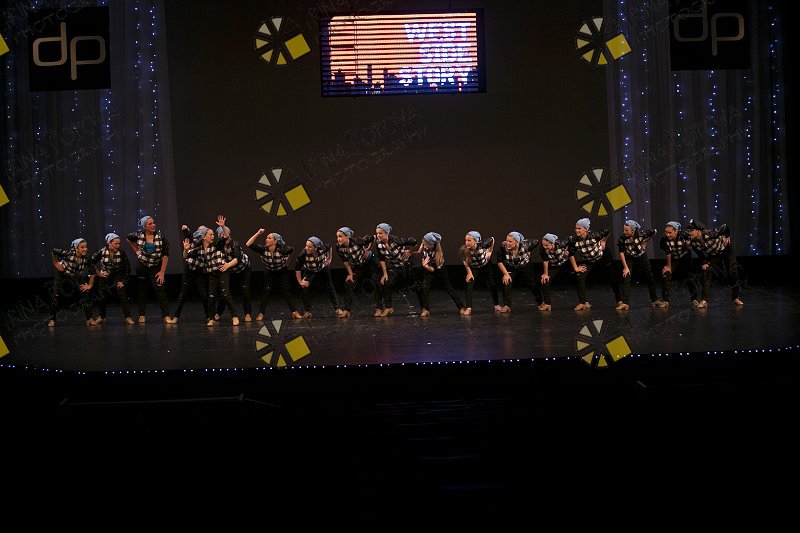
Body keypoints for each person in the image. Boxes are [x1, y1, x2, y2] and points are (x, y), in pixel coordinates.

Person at [126, 215, 176, 323]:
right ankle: (141, 315)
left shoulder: (161, 236)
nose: (153, 225)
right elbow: (128, 239)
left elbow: (165, 255)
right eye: (150, 224)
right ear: (145, 226)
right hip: (142, 265)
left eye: (154, 223)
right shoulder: (138, 235)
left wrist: (162, 272)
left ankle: (166, 316)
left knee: (160, 290)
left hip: (155, 266)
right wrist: (136, 250)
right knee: (142, 290)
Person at [187, 227, 240, 326]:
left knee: (225, 294)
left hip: (222, 271)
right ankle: (211, 318)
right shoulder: (200, 249)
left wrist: (223, 226)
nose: (213, 236)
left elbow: (225, 236)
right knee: (211, 296)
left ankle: (234, 316)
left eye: (213, 234)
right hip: (212, 273)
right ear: (204, 237)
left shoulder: (216, 244)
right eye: (210, 234)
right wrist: (186, 249)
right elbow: (186, 255)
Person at [687, 219, 743, 308]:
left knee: (732, 272)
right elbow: (700, 254)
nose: (689, 233)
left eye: (691, 230)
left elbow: (725, 227)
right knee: (706, 271)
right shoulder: (693, 242)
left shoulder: (710, 234)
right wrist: (705, 263)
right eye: (688, 230)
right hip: (714, 255)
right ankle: (704, 300)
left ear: (698, 231)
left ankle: (735, 297)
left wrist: (727, 236)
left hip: (726, 250)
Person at [567, 217, 620, 310]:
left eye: (579, 228)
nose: (577, 230)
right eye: (576, 228)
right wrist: (576, 268)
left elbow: (608, 230)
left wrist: (603, 241)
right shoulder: (575, 240)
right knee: (579, 275)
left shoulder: (595, 235)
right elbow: (571, 254)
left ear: (586, 229)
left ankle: (620, 300)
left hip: (603, 255)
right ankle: (583, 302)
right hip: (589, 260)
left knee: (612, 276)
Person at [246, 229, 298, 320]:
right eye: (266, 237)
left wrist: (287, 263)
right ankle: (261, 314)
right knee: (266, 292)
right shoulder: (263, 249)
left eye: (269, 238)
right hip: (269, 271)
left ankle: (294, 312)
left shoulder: (282, 249)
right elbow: (248, 244)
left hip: (281, 271)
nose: (266, 239)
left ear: (275, 241)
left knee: (286, 291)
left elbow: (291, 250)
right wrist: (258, 233)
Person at [414, 232, 465, 316]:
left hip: (438, 269)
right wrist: (419, 251)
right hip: (428, 265)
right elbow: (422, 243)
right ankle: (426, 309)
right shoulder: (425, 244)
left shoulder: (437, 255)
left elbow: (433, 270)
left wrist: (424, 266)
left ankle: (461, 307)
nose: (423, 244)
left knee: (448, 287)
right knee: (425, 287)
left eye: (425, 243)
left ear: (431, 245)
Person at [48, 238, 95, 326]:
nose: (85, 249)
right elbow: (54, 251)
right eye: (82, 247)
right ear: (76, 248)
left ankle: (89, 319)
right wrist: (56, 263)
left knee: (86, 294)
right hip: (63, 272)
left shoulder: (87, 258)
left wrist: (90, 285)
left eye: (86, 247)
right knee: (56, 295)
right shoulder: (69, 254)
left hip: (75, 275)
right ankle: (52, 319)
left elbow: (92, 272)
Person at [617, 220, 662, 310]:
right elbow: (621, 252)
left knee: (650, 276)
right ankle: (625, 303)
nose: (624, 232)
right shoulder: (623, 238)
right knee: (626, 277)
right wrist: (625, 267)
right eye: (624, 230)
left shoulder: (641, 234)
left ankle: (655, 300)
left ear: (633, 230)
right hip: (629, 257)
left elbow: (655, 231)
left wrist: (646, 241)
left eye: (627, 230)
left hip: (641, 256)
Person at [89, 233, 134, 325]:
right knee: (102, 295)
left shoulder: (121, 251)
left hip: (118, 273)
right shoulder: (102, 251)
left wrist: (123, 281)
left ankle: (128, 317)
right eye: (116, 243)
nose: (118, 245)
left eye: (119, 244)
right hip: (106, 274)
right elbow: (90, 262)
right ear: (109, 243)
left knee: (122, 293)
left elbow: (127, 266)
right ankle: (102, 317)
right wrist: (98, 273)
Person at [374, 223, 417, 317]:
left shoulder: (396, 240)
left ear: (387, 233)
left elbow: (413, 241)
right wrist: (385, 273)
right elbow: (381, 258)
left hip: (408, 264)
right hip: (396, 266)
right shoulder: (378, 243)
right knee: (385, 282)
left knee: (417, 285)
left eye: (380, 233)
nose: (378, 235)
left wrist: (410, 252)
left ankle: (424, 308)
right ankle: (388, 307)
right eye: (377, 233)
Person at [214, 219, 252, 322]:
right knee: (225, 292)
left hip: (243, 269)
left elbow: (237, 259)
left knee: (245, 290)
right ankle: (218, 313)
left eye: (226, 234)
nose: (225, 236)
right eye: (221, 234)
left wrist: (227, 265)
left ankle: (248, 314)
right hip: (230, 271)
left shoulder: (234, 244)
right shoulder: (219, 246)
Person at [334, 227, 378, 318]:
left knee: (376, 282)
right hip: (358, 266)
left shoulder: (358, 241)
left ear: (347, 237)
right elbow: (345, 261)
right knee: (349, 284)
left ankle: (379, 308)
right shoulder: (339, 247)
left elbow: (373, 237)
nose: (338, 239)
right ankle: (347, 310)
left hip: (369, 262)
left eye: (340, 236)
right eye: (337, 237)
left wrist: (368, 250)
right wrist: (350, 274)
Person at [294, 237, 341, 318]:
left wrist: (329, 258)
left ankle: (337, 308)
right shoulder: (303, 253)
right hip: (309, 270)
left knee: (330, 287)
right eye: (306, 246)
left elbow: (330, 246)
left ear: (315, 248)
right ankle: (307, 311)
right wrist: (300, 282)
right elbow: (297, 268)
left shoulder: (322, 248)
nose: (306, 248)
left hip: (322, 268)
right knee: (305, 288)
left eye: (309, 247)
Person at [495, 232, 541, 313]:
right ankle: (507, 305)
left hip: (525, 265)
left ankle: (541, 302)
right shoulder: (503, 246)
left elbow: (536, 241)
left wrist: (527, 247)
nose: (507, 243)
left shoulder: (526, 245)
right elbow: (499, 261)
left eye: (510, 241)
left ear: (517, 242)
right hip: (511, 265)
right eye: (507, 241)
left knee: (532, 284)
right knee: (506, 282)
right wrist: (506, 274)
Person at [172, 225, 209, 322]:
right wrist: (185, 249)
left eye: (203, 231)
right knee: (182, 295)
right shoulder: (193, 242)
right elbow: (185, 256)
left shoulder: (207, 244)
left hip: (199, 272)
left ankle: (209, 317)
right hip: (189, 271)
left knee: (204, 295)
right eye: (199, 231)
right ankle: (176, 316)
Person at [659, 221, 698, 308]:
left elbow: (693, 237)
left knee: (690, 277)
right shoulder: (664, 239)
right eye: (666, 232)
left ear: (676, 231)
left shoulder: (684, 234)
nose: (667, 235)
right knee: (665, 275)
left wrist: (690, 244)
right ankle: (665, 301)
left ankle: (694, 299)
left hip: (685, 257)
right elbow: (668, 253)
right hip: (673, 258)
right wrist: (668, 267)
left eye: (670, 232)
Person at [460, 231, 499, 315]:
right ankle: (469, 308)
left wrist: (490, 251)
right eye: (466, 240)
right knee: (469, 284)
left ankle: (496, 304)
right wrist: (469, 273)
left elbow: (492, 239)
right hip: (474, 267)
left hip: (485, 265)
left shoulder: (483, 244)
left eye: (469, 240)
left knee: (492, 284)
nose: (466, 242)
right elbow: (465, 262)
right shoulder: (464, 249)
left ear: (476, 241)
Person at [538, 233, 571, 311]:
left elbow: (571, 239)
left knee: (579, 276)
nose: (544, 247)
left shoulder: (561, 243)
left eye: (547, 245)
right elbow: (545, 261)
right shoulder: (542, 248)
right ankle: (547, 304)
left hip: (566, 263)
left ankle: (583, 302)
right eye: (543, 245)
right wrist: (545, 274)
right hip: (554, 265)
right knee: (545, 280)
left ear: (553, 244)